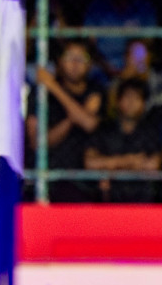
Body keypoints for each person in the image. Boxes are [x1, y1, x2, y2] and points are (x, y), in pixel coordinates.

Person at [27, 40, 104, 203]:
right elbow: (37, 142)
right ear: (60, 61)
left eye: (81, 58)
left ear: (90, 64)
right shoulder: (40, 93)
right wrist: (76, 115)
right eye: (70, 57)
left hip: (83, 182)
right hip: (47, 176)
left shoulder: (95, 90)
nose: (75, 63)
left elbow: (89, 123)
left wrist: (53, 86)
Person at [84, 77, 162, 202]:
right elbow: (91, 163)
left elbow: (153, 165)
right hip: (109, 201)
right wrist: (130, 161)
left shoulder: (149, 131)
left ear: (144, 104)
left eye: (137, 98)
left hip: (142, 202)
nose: (131, 103)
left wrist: (109, 166)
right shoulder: (104, 129)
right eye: (127, 97)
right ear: (118, 101)